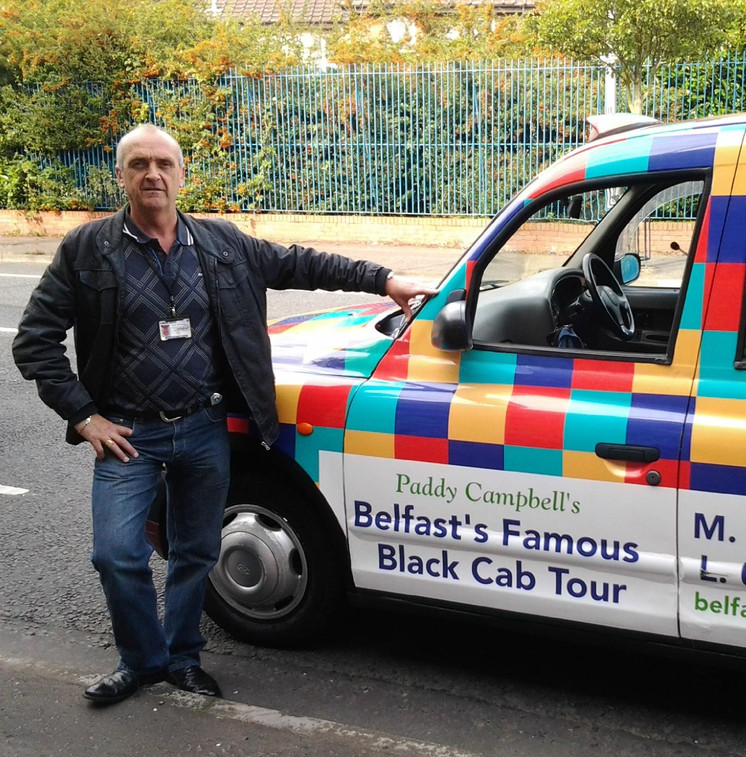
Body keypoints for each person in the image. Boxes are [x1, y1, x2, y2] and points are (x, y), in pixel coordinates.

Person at [12, 124, 437, 705]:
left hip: (204, 426)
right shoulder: (88, 250)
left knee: (196, 551)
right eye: (138, 164)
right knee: (115, 555)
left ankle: (182, 657)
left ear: (182, 175)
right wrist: (86, 417)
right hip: (128, 433)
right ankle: (141, 661)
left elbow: (302, 264)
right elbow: (34, 341)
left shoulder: (221, 243)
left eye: (164, 163)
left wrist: (386, 280)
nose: (152, 174)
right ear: (121, 176)